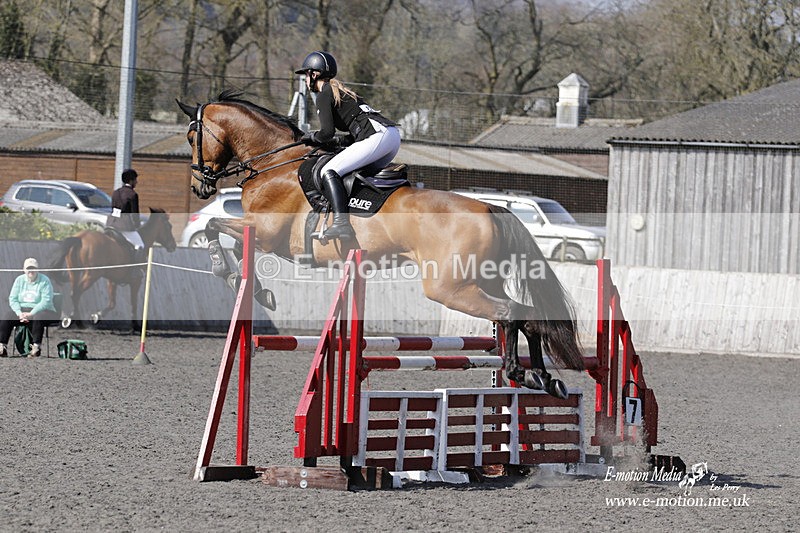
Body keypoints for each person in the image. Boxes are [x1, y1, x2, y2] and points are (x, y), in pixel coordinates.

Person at [295, 51, 401, 239]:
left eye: (306, 74)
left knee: (328, 171)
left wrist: (311, 137)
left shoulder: (324, 93)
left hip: (377, 136)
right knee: (353, 174)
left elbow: (326, 133)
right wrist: (337, 141)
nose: (304, 79)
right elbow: (352, 136)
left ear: (314, 74)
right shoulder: (340, 91)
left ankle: (341, 223)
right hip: (390, 136)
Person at [0, 258, 57, 358]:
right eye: (28, 268)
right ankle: (2, 346)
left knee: (39, 316)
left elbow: (46, 301)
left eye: (33, 268)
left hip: (43, 310)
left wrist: (31, 313)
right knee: (7, 316)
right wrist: (19, 313)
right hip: (23, 311)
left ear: (37, 269)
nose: (31, 271)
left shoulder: (45, 281)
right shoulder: (19, 280)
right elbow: (12, 299)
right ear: (24, 269)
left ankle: (36, 348)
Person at [106, 168, 145, 261]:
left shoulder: (116, 192)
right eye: (135, 180)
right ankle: (134, 269)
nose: (137, 182)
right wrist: (137, 225)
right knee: (140, 245)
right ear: (131, 181)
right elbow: (135, 214)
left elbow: (113, 208)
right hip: (123, 225)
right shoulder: (132, 194)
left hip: (111, 222)